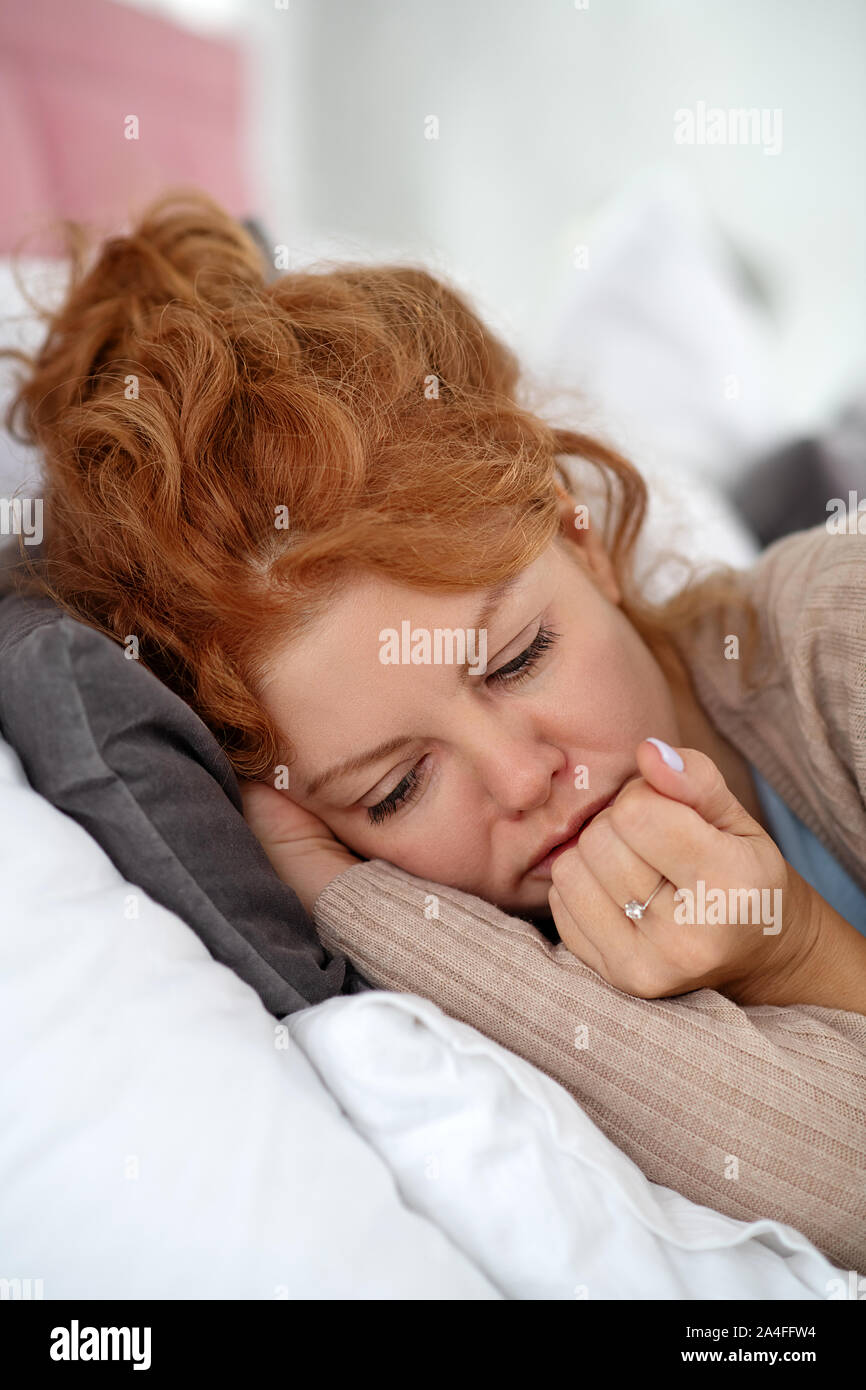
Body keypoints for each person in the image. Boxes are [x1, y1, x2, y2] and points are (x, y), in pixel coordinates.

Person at [5, 188, 866, 1268]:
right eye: (395, 790)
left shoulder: (841, 632)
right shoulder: (500, 948)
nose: (519, 779)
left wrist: (788, 948)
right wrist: (349, 904)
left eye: (517, 657)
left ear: (579, 537)